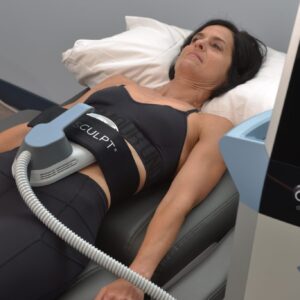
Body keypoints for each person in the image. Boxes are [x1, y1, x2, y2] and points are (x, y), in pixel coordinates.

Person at [0, 19, 266, 300]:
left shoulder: (210, 125)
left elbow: (179, 202)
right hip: (14, 165)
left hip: (59, 206)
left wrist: (136, 278)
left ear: (231, 75)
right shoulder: (118, 83)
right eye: (197, 38)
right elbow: (41, 126)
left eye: (216, 46)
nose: (198, 43)